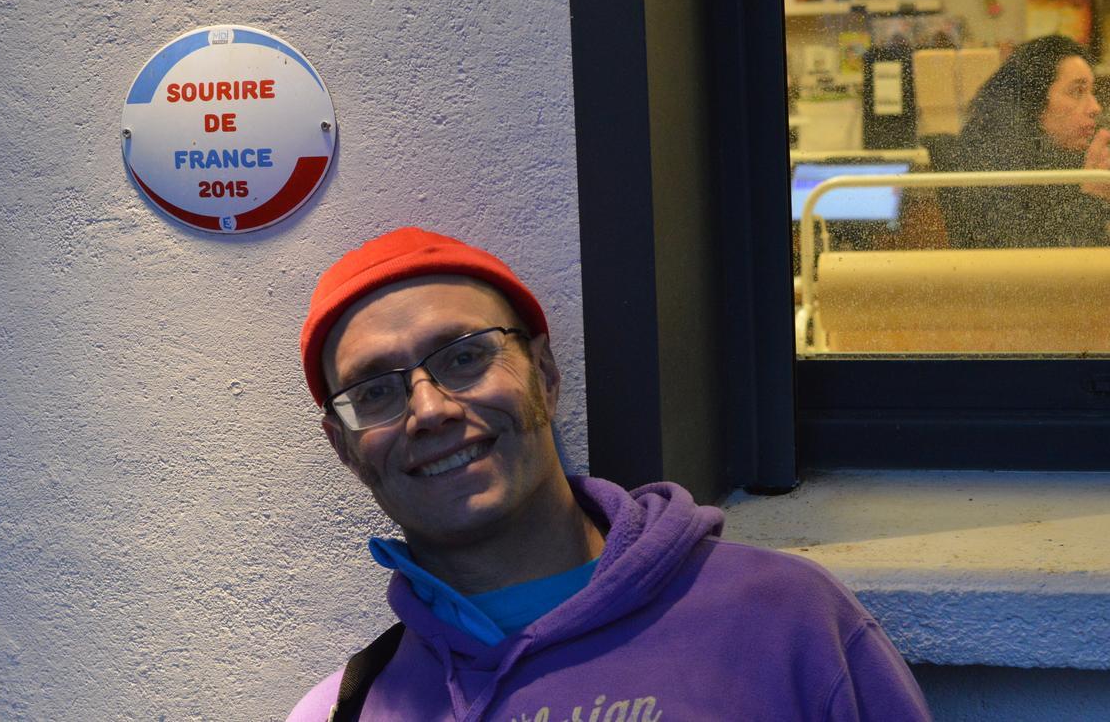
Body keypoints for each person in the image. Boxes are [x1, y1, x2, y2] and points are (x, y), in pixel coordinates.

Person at [288, 226, 930, 721]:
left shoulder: (786, 623)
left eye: (464, 357)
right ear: (344, 446)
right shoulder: (342, 711)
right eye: (374, 392)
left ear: (544, 374)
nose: (429, 410)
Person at [948, 35, 1109, 248]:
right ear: (1033, 99)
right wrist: (1093, 196)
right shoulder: (993, 159)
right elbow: (1025, 257)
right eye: (1077, 92)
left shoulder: (1068, 157)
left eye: (1092, 92)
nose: (1095, 107)